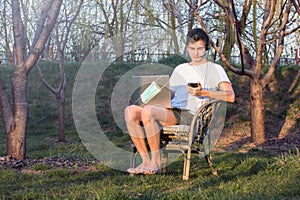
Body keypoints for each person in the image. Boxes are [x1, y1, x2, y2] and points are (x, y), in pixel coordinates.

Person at [124, 28, 235, 175]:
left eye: (200, 49)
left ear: (206, 49)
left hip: (191, 116)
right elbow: (169, 94)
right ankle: (145, 161)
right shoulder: (180, 69)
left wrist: (203, 92)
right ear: (187, 48)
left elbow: (230, 96)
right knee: (130, 111)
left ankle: (156, 162)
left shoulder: (215, 69)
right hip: (172, 111)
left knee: (148, 111)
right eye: (192, 48)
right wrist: (150, 97)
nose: (196, 53)